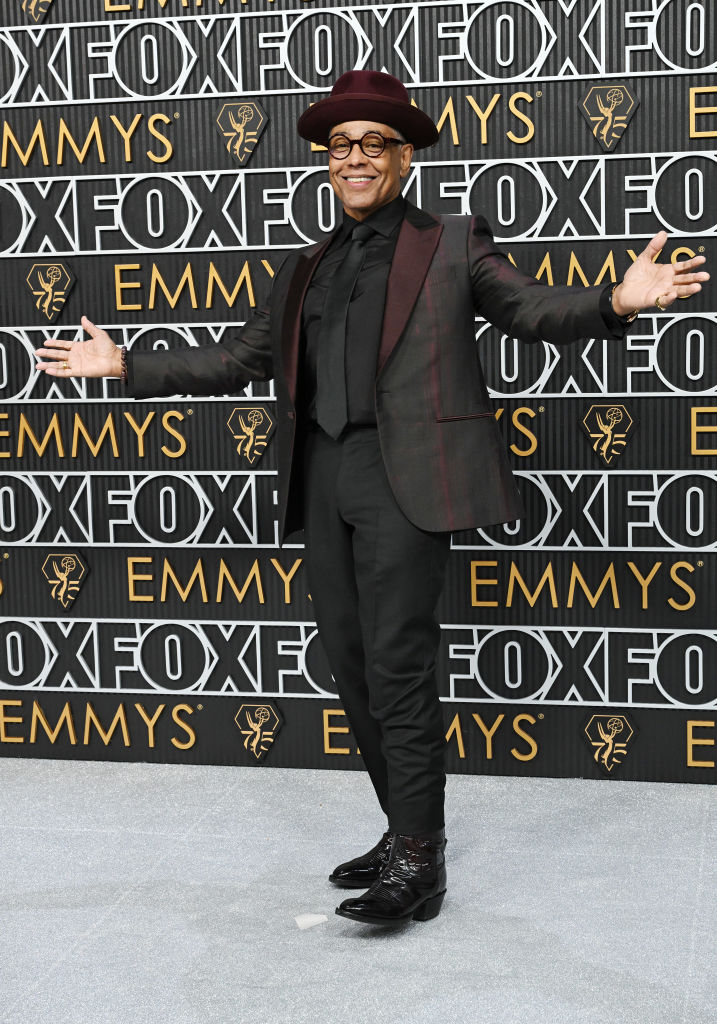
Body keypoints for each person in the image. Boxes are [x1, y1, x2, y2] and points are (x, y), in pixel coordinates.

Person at [36, 70, 709, 927]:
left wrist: (613, 302)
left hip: (406, 481)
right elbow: (242, 358)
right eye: (339, 145)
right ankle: (402, 829)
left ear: (404, 157)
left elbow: (531, 310)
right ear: (328, 162)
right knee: (352, 668)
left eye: (373, 144)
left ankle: (418, 864)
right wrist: (129, 366)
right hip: (321, 479)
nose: (354, 158)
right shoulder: (307, 263)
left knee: (397, 670)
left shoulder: (454, 242)